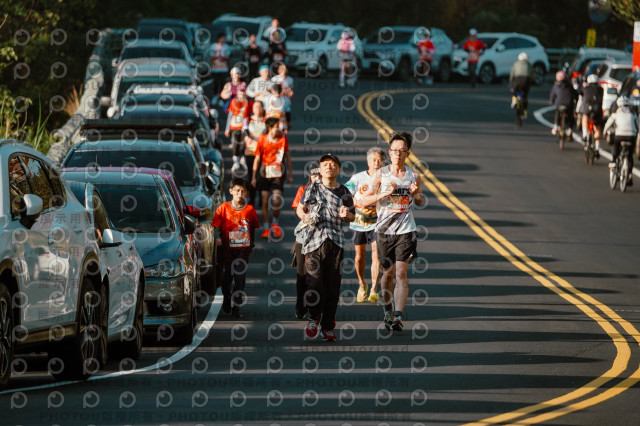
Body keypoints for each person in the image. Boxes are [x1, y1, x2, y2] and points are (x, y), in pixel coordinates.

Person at [360, 132, 425, 332]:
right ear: (389, 152)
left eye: (401, 151)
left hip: (407, 231)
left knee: (401, 273)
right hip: (384, 232)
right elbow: (363, 201)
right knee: (387, 273)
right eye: (394, 150)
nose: (397, 154)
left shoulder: (414, 176)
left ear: (407, 153)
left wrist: (416, 193)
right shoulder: (381, 175)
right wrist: (384, 193)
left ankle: (398, 316)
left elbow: (420, 201)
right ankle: (387, 307)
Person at [296, 154, 355, 341]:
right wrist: (305, 217)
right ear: (320, 169)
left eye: (332, 164)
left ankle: (328, 326)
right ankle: (313, 317)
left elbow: (353, 216)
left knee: (332, 288)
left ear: (338, 169)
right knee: (315, 283)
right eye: (325, 164)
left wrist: (346, 215)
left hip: (335, 244)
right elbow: (300, 208)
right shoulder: (312, 187)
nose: (329, 167)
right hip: (314, 242)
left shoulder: (344, 191)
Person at [211, 178, 260, 317]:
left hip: (242, 251)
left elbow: (253, 228)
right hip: (226, 250)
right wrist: (217, 238)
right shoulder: (223, 208)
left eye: (243, 191)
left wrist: (251, 244)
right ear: (231, 191)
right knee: (226, 279)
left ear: (247, 193)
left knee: (240, 279)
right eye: (237, 191)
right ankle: (227, 297)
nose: (240, 194)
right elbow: (215, 227)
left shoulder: (250, 210)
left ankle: (237, 306)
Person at [345, 147, 386, 303]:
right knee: (359, 256)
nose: (376, 163)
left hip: (378, 223)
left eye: (379, 160)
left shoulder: (386, 178)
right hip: (359, 223)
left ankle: (374, 289)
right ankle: (362, 284)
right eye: (374, 160)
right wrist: (356, 202)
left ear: (383, 162)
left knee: (376, 255)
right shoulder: (358, 178)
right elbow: (345, 193)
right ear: (368, 161)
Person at [251, 117, 293, 239]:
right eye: (276, 127)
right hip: (264, 173)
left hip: (278, 173)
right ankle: (266, 227)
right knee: (264, 201)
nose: (279, 128)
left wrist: (290, 175)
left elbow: (288, 157)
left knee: (276, 200)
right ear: (270, 128)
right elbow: (257, 158)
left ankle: (275, 223)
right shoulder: (262, 139)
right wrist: (254, 177)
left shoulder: (283, 139)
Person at [291, 161, 322, 319]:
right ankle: (300, 304)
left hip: (321, 234)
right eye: (314, 175)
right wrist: (306, 217)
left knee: (317, 274)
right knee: (301, 273)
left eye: (319, 175)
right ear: (310, 176)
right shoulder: (303, 190)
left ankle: (315, 305)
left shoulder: (328, 191)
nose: (317, 178)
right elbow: (298, 209)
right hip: (303, 234)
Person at [605, 96, 638, 186]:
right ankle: (629, 175)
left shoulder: (616, 112)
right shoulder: (633, 112)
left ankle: (613, 161)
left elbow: (608, 123)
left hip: (620, 135)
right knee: (630, 156)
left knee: (615, 145)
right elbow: (638, 125)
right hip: (631, 136)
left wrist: (604, 132)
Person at [244, 100, 266, 206]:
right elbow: (245, 132)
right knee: (251, 175)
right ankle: (252, 199)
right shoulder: (248, 119)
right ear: (252, 108)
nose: (257, 109)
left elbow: (267, 134)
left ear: (263, 108)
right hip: (251, 151)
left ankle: (262, 198)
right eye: (255, 106)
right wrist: (249, 138)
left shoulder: (266, 120)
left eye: (259, 106)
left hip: (263, 152)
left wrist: (256, 138)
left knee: (261, 175)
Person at [225, 86, 250, 175]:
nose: (241, 96)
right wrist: (227, 128)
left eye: (242, 94)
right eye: (239, 94)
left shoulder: (248, 103)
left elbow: (249, 115)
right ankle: (235, 162)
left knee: (243, 144)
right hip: (234, 126)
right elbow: (230, 114)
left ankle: (242, 159)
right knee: (236, 144)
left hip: (244, 126)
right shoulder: (233, 102)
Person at [580, 73, 604, 156]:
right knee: (597, 128)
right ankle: (597, 148)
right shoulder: (601, 89)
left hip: (587, 109)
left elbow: (581, 98)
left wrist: (577, 110)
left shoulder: (585, 88)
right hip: (597, 110)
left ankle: (584, 135)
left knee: (585, 117)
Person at [549, 70, 578, 135]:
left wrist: (551, 101)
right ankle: (570, 129)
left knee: (557, 112)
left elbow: (552, 95)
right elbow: (575, 94)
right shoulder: (569, 85)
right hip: (569, 104)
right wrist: (576, 101)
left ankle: (556, 126)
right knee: (570, 115)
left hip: (559, 103)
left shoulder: (556, 85)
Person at [509, 52, 534, 118]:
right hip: (527, 81)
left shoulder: (516, 64)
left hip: (518, 80)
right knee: (525, 96)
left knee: (514, 90)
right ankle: (525, 113)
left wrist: (511, 82)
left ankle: (514, 100)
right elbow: (532, 75)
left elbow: (512, 75)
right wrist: (530, 82)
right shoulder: (529, 65)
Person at [271, 64, 294, 128]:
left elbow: (291, 89)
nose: (284, 71)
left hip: (286, 99)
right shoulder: (275, 79)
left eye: (285, 69)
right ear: (278, 70)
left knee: (287, 112)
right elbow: (272, 90)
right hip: (278, 100)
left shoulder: (290, 79)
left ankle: (287, 126)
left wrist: (291, 94)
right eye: (282, 69)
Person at [209, 33, 231, 100]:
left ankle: (222, 97)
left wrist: (223, 57)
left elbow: (228, 57)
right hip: (215, 68)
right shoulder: (213, 46)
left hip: (224, 68)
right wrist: (217, 56)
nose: (224, 39)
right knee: (215, 82)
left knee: (223, 83)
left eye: (224, 38)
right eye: (223, 38)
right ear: (219, 38)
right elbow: (211, 57)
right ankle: (215, 96)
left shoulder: (226, 47)